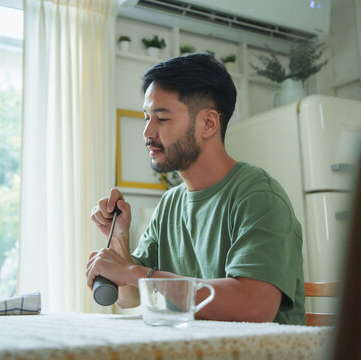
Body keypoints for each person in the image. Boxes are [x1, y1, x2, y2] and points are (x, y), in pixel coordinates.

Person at [85, 53, 305, 325]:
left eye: (161, 119)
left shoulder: (258, 196)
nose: (147, 132)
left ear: (209, 123)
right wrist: (119, 236)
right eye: (146, 118)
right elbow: (129, 296)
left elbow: (254, 307)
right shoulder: (169, 204)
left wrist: (132, 271)